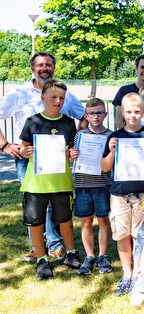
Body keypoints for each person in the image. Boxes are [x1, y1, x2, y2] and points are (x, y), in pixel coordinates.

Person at [0, 51, 85, 263]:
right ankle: (39, 249)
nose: (44, 68)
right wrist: (5, 145)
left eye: (48, 65)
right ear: (32, 68)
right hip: (27, 158)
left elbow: (83, 116)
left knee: (57, 203)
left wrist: (79, 145)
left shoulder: (64, 93)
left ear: (54, 68)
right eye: (40, 65)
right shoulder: (18, 93)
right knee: (36, 205)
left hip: (58, 163)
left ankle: (55, 245)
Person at [101, 92, 144, 295]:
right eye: (129, 111)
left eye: (137, 111)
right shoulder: (115, 136)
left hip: (142, 195)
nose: (133, 115)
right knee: (122, 234)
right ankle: (127, 274)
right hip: (119, 195)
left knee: (139, 235)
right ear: (122, 112)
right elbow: (104, 167)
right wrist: (111, 152)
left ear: (143, 111)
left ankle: (138, 274)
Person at [18, 80, 82, 279]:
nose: (58, 101)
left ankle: (70, 253)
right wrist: (25, 151)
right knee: (36, 221)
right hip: (36, 183)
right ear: (42, 98)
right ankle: (41, 258)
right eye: (53, 97)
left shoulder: (69, 122)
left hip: (61, 181)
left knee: (65, 219)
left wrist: (72, 153)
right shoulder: (32, 121)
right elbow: (23, 147)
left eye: (62, 98)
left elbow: (72, 148)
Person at [69, 98, 113, 275]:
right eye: (92, 113)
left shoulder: (111, 135)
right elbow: (74, 160)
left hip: (104, 184)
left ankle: (102, 255)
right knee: (86, 221)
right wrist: (73, 155)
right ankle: (89, 256)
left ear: (105, 114)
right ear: (86, 115)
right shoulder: (80, 135)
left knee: (103, 220)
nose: (96, 116)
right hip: (83, 184)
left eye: (99, 112)